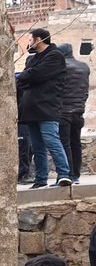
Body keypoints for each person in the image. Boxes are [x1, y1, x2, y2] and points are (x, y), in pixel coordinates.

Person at [17, 28, 72, 188]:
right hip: (31, 108)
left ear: (39, 39)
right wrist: (26, 76)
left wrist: (26, 76)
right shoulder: (31, 59)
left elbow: (35, 74)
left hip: (48, 107)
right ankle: (40, 179)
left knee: (51, 139)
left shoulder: (55, 56)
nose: (28, 43)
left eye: (29, 39)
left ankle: (63, 174)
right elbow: (23, 80)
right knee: (36, 146)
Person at [58, 43, 90, 183]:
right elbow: (85, 90)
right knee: (76, 143)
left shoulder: (60, 67)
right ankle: (76, 174)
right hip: (79, 110)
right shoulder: (84, 67)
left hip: (63, 110)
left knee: (65, 143)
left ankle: (69, 174)